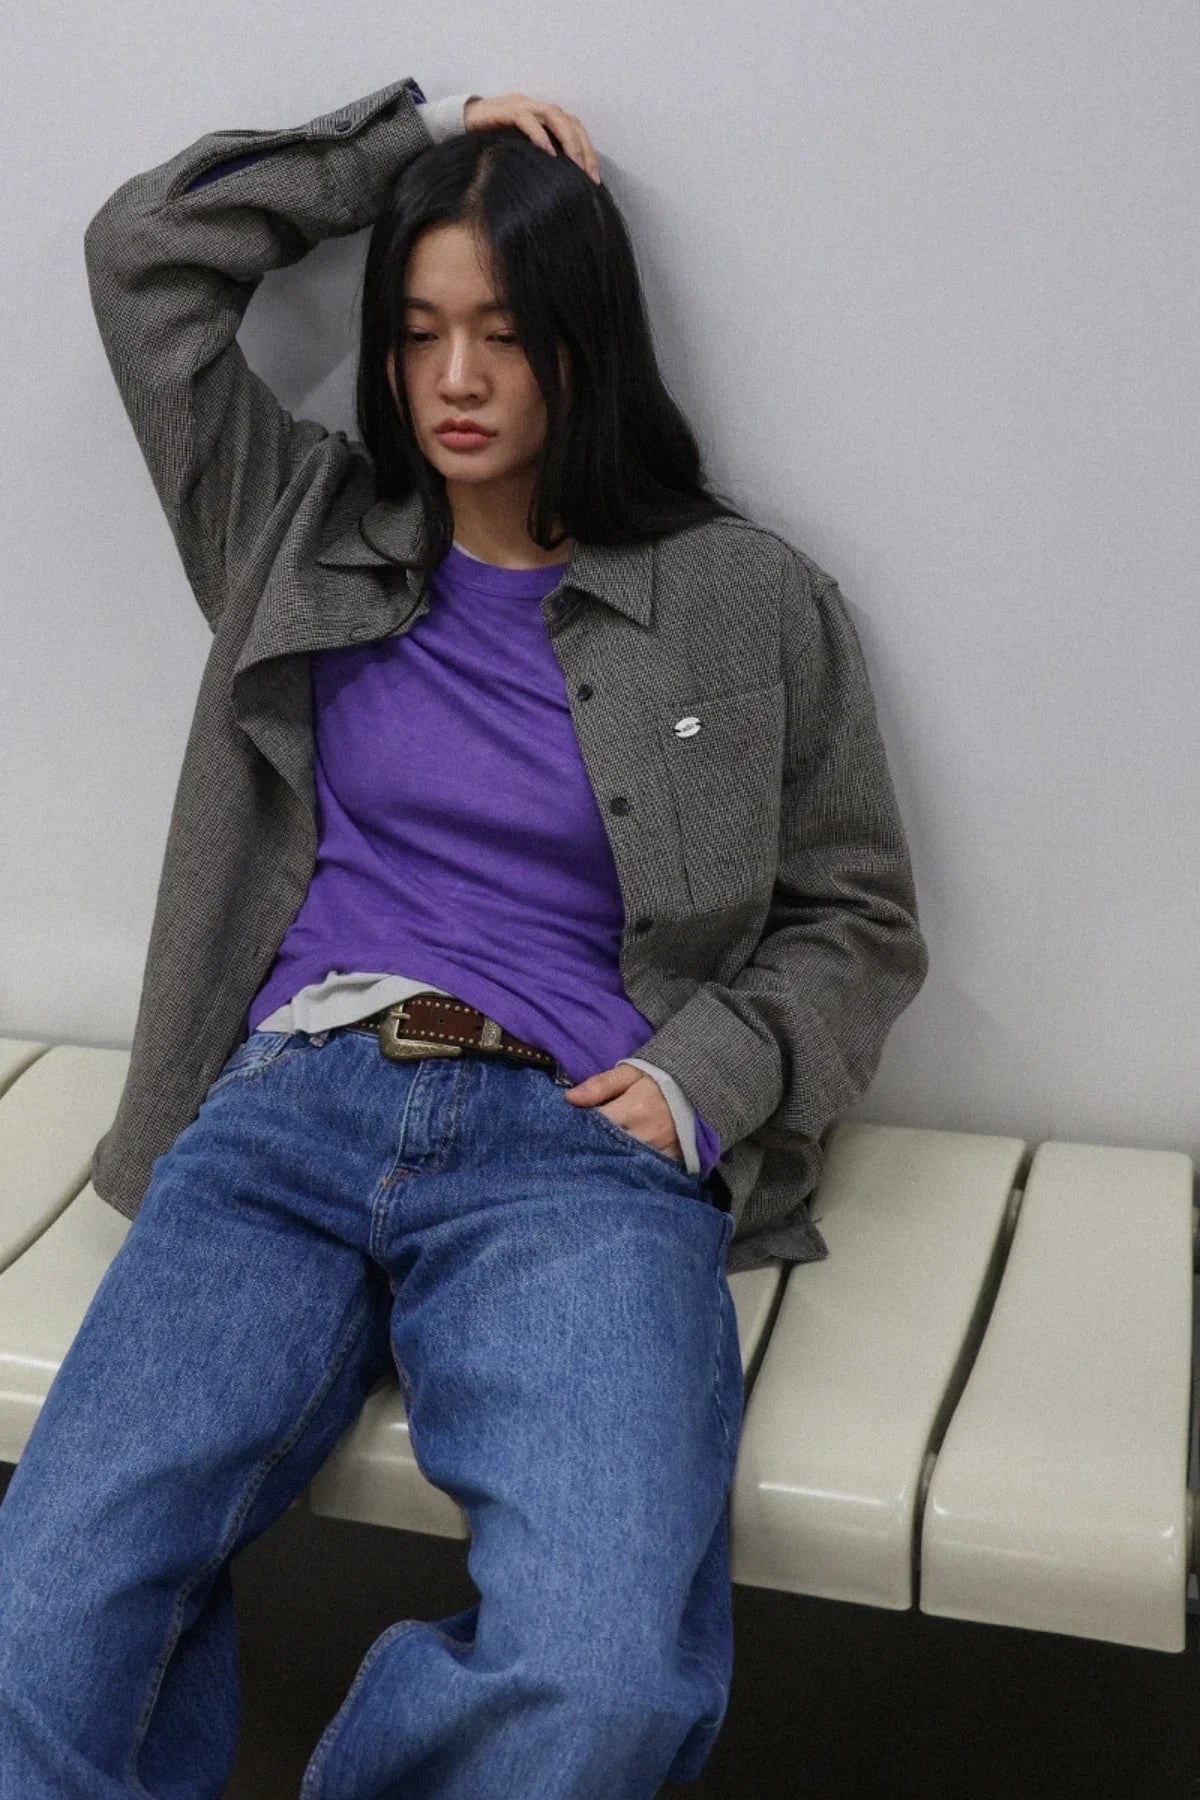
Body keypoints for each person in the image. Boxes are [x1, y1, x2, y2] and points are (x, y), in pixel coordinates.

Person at [0, 76, 929, 1797]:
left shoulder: (746, 598)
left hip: (573, 1152)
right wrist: (390, 156)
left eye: (503, 332)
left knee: (602, 1685)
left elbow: (858, 915)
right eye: (418, 331)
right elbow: (147, 257)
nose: (456, 382)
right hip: (285, 1111)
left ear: (588, 339)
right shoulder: (294, 527)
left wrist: (703, 1079)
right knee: (36, 1623)